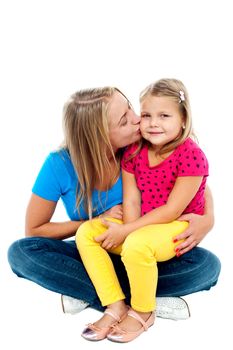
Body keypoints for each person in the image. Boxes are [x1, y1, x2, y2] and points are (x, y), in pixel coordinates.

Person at [7, 86, 220, 328]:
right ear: (99, 137)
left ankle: (98, 294)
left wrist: (208, 219)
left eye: (130, 107)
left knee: (207, 266)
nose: (138, 119)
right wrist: (92, 220)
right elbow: (34, 231)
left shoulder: (141, 146)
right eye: (124, 120)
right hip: (94, 251)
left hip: (145, 251)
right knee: (21, 252)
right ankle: (140, 301)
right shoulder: (58, 165)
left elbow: (195, 182)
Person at [75, 79, 220, 343]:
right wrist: (124, 232)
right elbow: (131, 200)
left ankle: (144, 310)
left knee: (139, 245)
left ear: (183, 119)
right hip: (141, 223)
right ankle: (115, 303)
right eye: (146, 115)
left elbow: (171, 210)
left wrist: (127, 233)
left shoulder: (191, 156)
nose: (153, 123)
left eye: (164, 116)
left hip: (175, 223)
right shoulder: (134, 151)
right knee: (86, 232)